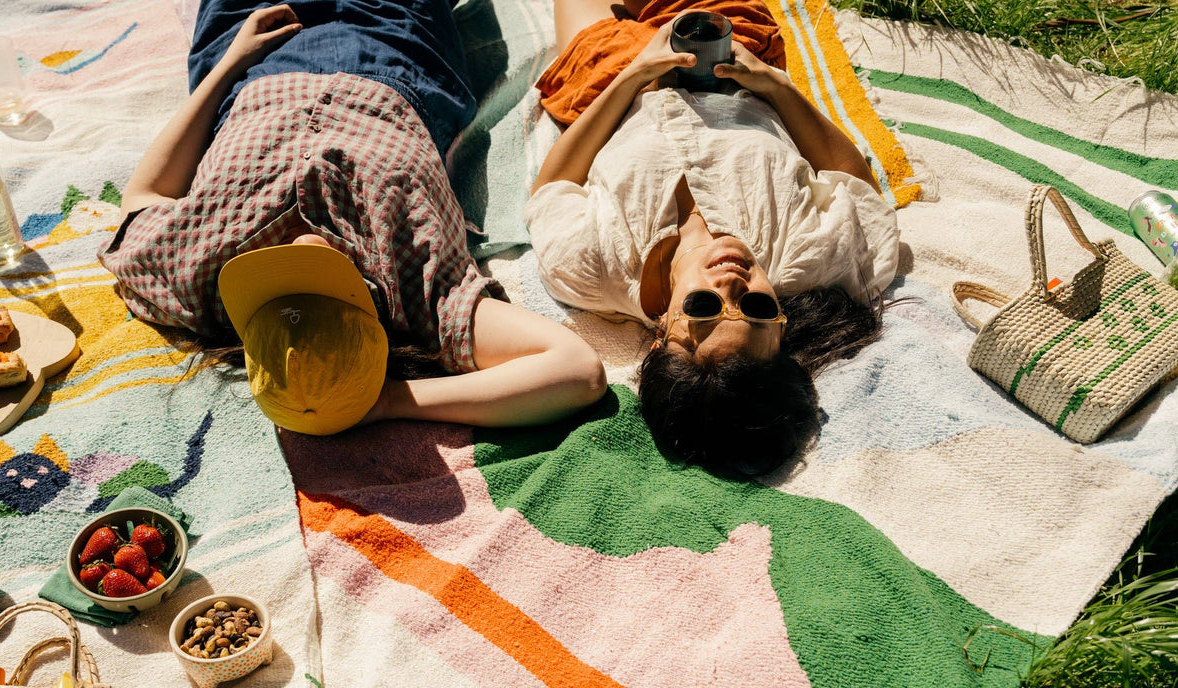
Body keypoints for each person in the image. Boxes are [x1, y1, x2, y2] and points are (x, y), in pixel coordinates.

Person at [99, 1, 606, 435]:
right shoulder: (424, 300)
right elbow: (578, 371)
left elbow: (144, 195)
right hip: (399, 44)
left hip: (255, 52)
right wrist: (385, 402)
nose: (303, 251)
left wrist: (229, 63)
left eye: (279, 287)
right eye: (328, 287)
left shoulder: (197, 280)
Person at [526, 0, 899, 472]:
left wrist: (634, 76)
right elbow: (853, 181)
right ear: (782, 326)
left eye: (703, 307)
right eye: (758, 308)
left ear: (661, 335)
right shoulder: (819, 259)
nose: (732, 284)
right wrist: (775, 84)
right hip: (736, 66)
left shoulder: (591, 271)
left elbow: (554, 186)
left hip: (612, 87)